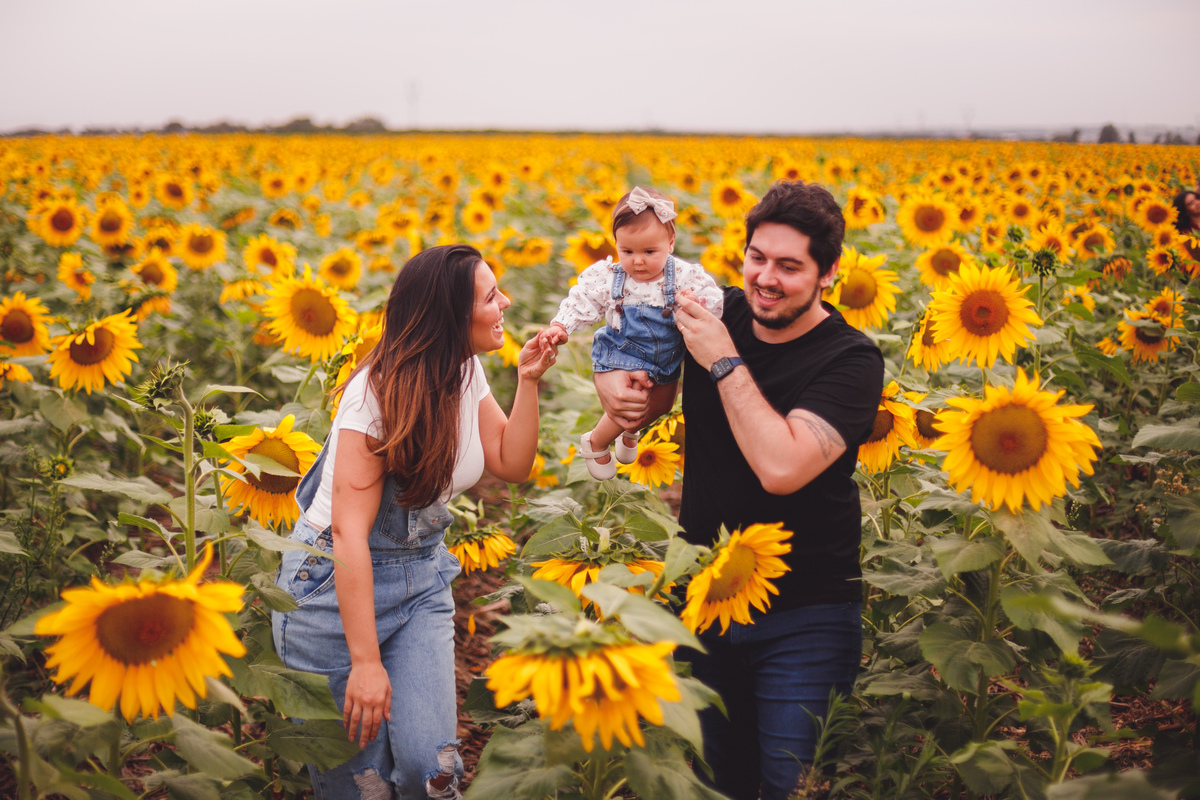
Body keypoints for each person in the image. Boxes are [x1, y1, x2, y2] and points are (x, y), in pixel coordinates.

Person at [596, 181, 884, 800]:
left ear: (829, 273)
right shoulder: (714, 310)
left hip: (805, 611)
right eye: (757, 257)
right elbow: (643, 367)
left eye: (789, 266)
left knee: (790, 785)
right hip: (704, 596)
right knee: (715, 782)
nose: (766, 278)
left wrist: (724, 359)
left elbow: (782, 467)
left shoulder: (850, 360)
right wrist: (617, 390)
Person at [272, 245, 558, 800]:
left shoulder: (464, 368)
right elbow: (348, 534)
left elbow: (511, 463)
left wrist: (529, 381)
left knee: (434, 772)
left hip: (421, 578)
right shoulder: (373, 399)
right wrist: (365, 662)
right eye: (490, 295)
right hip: (332, 592)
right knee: (362, 786)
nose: (506, 302)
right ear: (451, 316)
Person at [542, 186, 723, 479]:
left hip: (665, 359)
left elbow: (714, 304)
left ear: (671, 243)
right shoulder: (611, 278)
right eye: (627, 251)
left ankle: (629, 433)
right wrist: (561, 325)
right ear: (616, 245)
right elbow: (584, 298)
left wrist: (695, 302)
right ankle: (596, 441)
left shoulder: (684, 276)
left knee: (662, 405)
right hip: (622, 352)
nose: (637, 261)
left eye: (649, 252)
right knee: (632, 402)